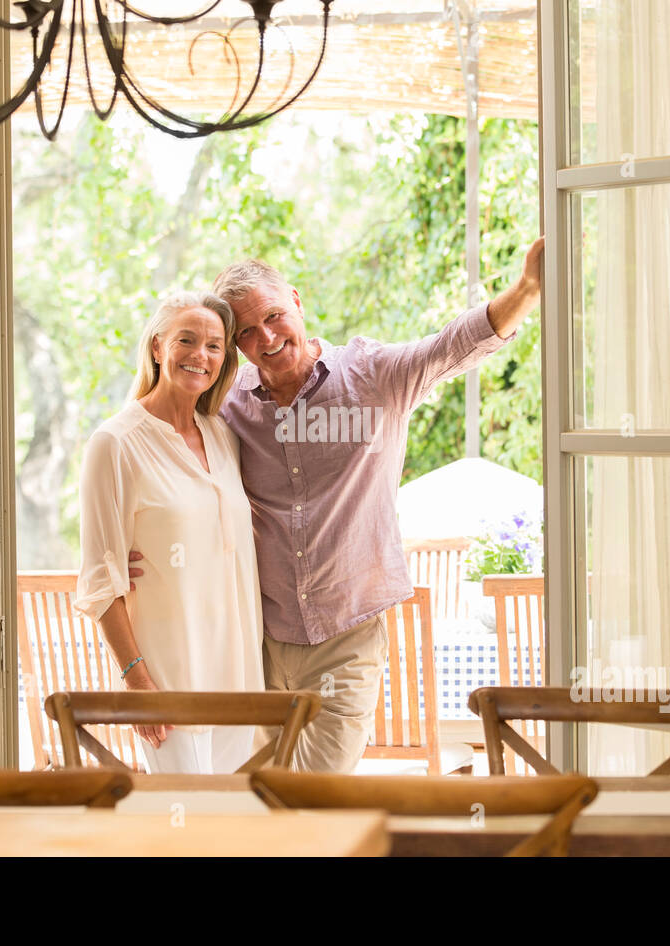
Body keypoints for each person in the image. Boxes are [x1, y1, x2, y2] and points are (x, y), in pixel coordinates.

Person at [130, 238, 546, 772]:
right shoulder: (227, 407)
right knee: (246, 795)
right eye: (247, 332)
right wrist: (139, 552)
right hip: (253, 637)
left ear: (298, 302)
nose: (267, 338)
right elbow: (169, 465)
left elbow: (452, 344)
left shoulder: (372, 378)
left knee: (316, 796)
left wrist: (527, 288)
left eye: (275, 316)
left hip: (345, 642)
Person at [74, 291, 264, 774]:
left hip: (239, 676)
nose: (200, 355)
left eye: (215, 346)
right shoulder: (114, 444)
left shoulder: (223, 436)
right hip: (170, 675)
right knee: (184, 829)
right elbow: (100, 581)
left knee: (234, 832)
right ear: (158, 347)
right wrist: (138, 681)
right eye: (187, 340)